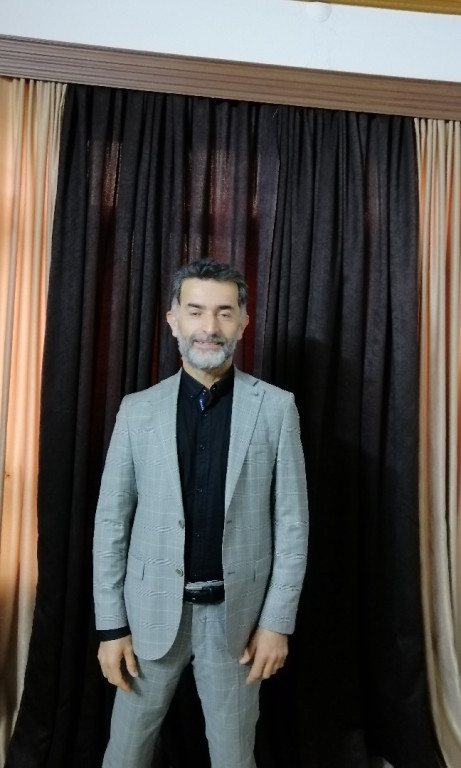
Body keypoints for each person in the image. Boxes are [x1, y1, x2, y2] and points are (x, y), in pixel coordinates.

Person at [93, 259, 309, 768]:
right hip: (147, 617)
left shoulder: (276, 409)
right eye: (195, 311)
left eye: (224, 313)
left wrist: (276, 623)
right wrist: (111, 627)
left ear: (243, 322)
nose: (209, 326)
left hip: (238, 625)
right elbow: (111, 525)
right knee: (124, 754)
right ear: (173, 320)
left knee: (234, 757)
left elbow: (292, 525)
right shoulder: (137, 410)